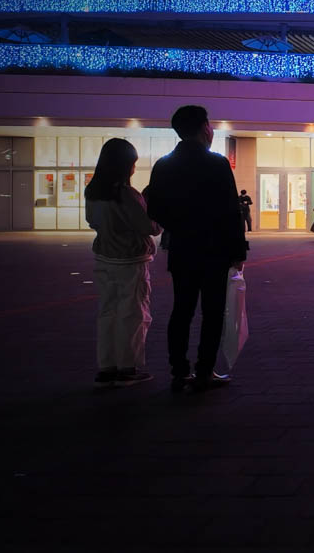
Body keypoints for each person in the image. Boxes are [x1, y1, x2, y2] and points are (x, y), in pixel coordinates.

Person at [144, 105, 249, 393]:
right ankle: (205, 371)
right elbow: (231, 211)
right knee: (212, 311)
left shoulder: (164, 165)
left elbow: (155, 208)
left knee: (182, 309)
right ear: (205, 128)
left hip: (183, 247)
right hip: (214, 249)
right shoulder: (216, 164)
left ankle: (179, 371)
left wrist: (179, 225)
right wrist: (238, 252)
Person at [85, 139, 162, 387]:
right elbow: (148, 227)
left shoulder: (93, 192)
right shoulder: (127, 195)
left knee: (108, 312)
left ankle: (107, 366)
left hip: (104, 258)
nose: (133, 169)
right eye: (132, 163)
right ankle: (128, 367)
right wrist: (154, 212)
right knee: (133, 314)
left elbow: (91, 221)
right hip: (131, 260)